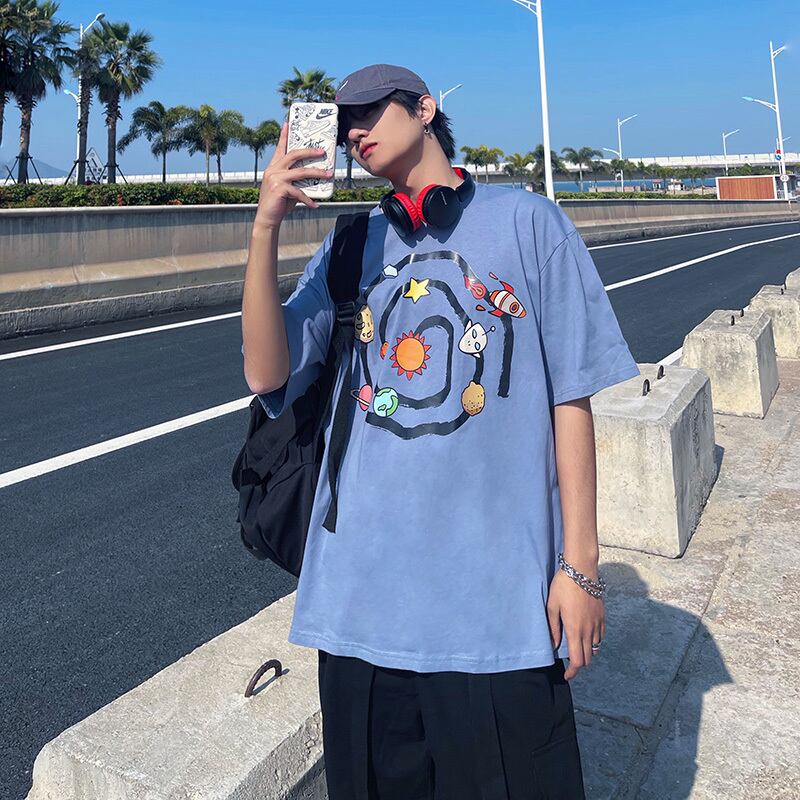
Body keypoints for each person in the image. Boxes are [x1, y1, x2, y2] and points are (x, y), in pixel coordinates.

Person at [241, 63, 640, 800]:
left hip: (497, 611)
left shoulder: (529, 223)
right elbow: (267, 375)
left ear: (425, 109)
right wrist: (266, 225)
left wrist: (580, 568)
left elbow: (571, 400)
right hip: (359, 611)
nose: (354, 132)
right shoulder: (350, 247)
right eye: (342, 124)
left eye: (369, 111)